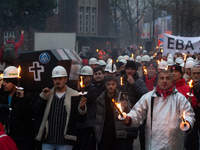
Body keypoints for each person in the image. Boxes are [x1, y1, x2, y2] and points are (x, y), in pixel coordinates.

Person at [123, 70, 195, 150]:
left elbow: (189, 114)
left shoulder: (179, 98)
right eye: (162, 78)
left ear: (171, 81)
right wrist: (129, 119)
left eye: (167, 78)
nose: (164, 81)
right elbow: (137, 113)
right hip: (154, 143)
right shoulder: (148, 97)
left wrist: (188, 122)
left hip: (174, 143)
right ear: (158, 81)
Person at [35, 66, 87, 150]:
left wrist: (82, 108)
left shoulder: (74, 96)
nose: (57, 81)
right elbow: (37, 112)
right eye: (55, 79)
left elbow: (80, 119)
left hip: (65, 142)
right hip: (48, 140)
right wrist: (43, 98)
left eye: (60, 78)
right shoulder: (47, 94)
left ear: (65, 79)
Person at [93, 75, 131, 150]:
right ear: (105, 85)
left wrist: (125, 107)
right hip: (104, 135)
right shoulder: (100, 99)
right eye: (108, 84)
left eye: (113, 84)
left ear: (116, 85)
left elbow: (129, 113)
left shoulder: (122, 97)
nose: (110, 86)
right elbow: (96, 116)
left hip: (118, 135)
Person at [0, 66, 34, 150]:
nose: (4, 84)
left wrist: (22, 100)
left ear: (14, 83)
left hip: (21, 139)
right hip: (6, 138)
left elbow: (28, 116)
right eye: (4, 81)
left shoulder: (25, 97)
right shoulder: (1, 97)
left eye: (7, 82)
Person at [117, 61, 148, 150]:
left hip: (132, 113)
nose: (129, 71)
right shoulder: (120, 79)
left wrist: (134, 84)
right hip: (119, 112)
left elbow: (144, 95)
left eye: (132, 69)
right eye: (128, 69)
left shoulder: (140, 81)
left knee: (128, 142)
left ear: (135, 70)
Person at [73, 66, 99, 150]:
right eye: (82, 76)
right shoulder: (76, 88)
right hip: (77, 123)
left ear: (91, 77)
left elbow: (90, 99)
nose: (83, 78)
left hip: (88, 124)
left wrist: (81, 93)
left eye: (86, 76)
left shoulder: (93, 89)